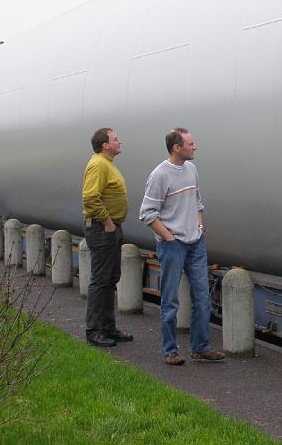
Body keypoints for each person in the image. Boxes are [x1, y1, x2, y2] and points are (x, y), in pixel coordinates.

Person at [139, 128, 225, 365]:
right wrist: (168, 238)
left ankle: (201, 347)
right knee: (170, 299)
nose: (195, 146)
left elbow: (198, 202)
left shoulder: (192, 170)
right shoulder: (160, 175)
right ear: (177, 147)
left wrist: (199, 228)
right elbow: (147, 213)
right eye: (190, 143)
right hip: (173, 245)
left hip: (195, 242)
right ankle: (170, 350)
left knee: (202, 298)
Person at [81, 127, 133, 347]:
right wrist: (108, 222)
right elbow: (90, 198)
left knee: (110, 280)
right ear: (105, 145)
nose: (119, 142)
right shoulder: (99, 165)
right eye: (115, 139)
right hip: (103, 230)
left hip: (110, 229)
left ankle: (108, 327)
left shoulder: (107, 164)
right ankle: (94, 331)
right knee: (101, 281)